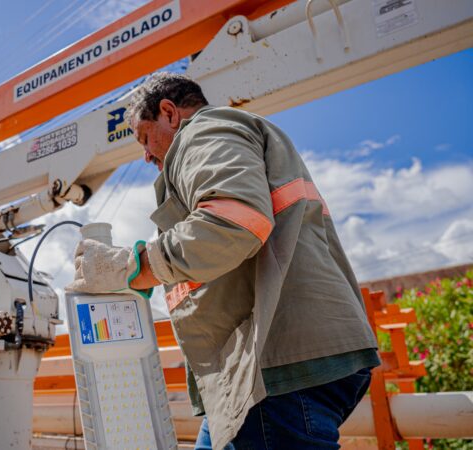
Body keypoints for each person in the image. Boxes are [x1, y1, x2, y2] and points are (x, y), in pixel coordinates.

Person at [67, 73, 380, 449]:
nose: (146, 154)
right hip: (262, 366)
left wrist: (132, 266)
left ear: (169, 113)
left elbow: (232, 223)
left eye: (145, 137)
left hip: (273, 365)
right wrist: (150, 279)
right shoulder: (236, 137)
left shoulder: (203, 132)